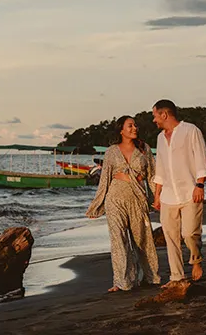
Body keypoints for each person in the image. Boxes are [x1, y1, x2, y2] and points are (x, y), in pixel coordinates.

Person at [86, 115, 160, 292]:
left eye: (135, 125)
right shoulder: (111, 151)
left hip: (137, 199)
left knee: (143, 240)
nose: (135, 128)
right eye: (130, 125)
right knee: (118, 240)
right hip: (115, 199)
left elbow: (153, 175)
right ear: (121, 130)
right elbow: (105, 178)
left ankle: (150, 276)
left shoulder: (144, 149)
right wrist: (97, 205)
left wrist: (157, 199)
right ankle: (122, 281)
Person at [151, 99, 206, 284]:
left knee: (190, 233)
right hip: (168, 195)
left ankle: (196, 260)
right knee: (171, 238)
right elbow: (160, 169)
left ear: (164, 114)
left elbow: (201, 158)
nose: (154, 120)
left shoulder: (191, 130)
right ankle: (177, 277)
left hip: (190, 191)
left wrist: (200, 185)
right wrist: (157, 196)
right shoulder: (160, 138)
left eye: (155, 115)